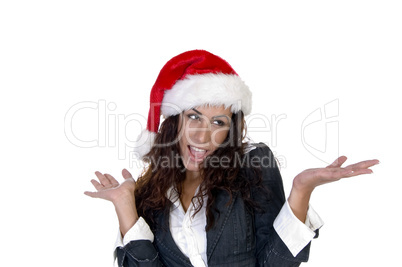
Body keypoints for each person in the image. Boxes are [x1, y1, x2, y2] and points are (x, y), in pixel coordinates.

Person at [84, 50, 379, 267]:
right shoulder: (151, 194)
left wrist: (302, 189)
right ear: (175, 121)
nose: (202, 137)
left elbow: (275, 263)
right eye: (194, 117)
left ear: (231, 129)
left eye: (218, 123)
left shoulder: (253, 165)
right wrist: (125, 207)